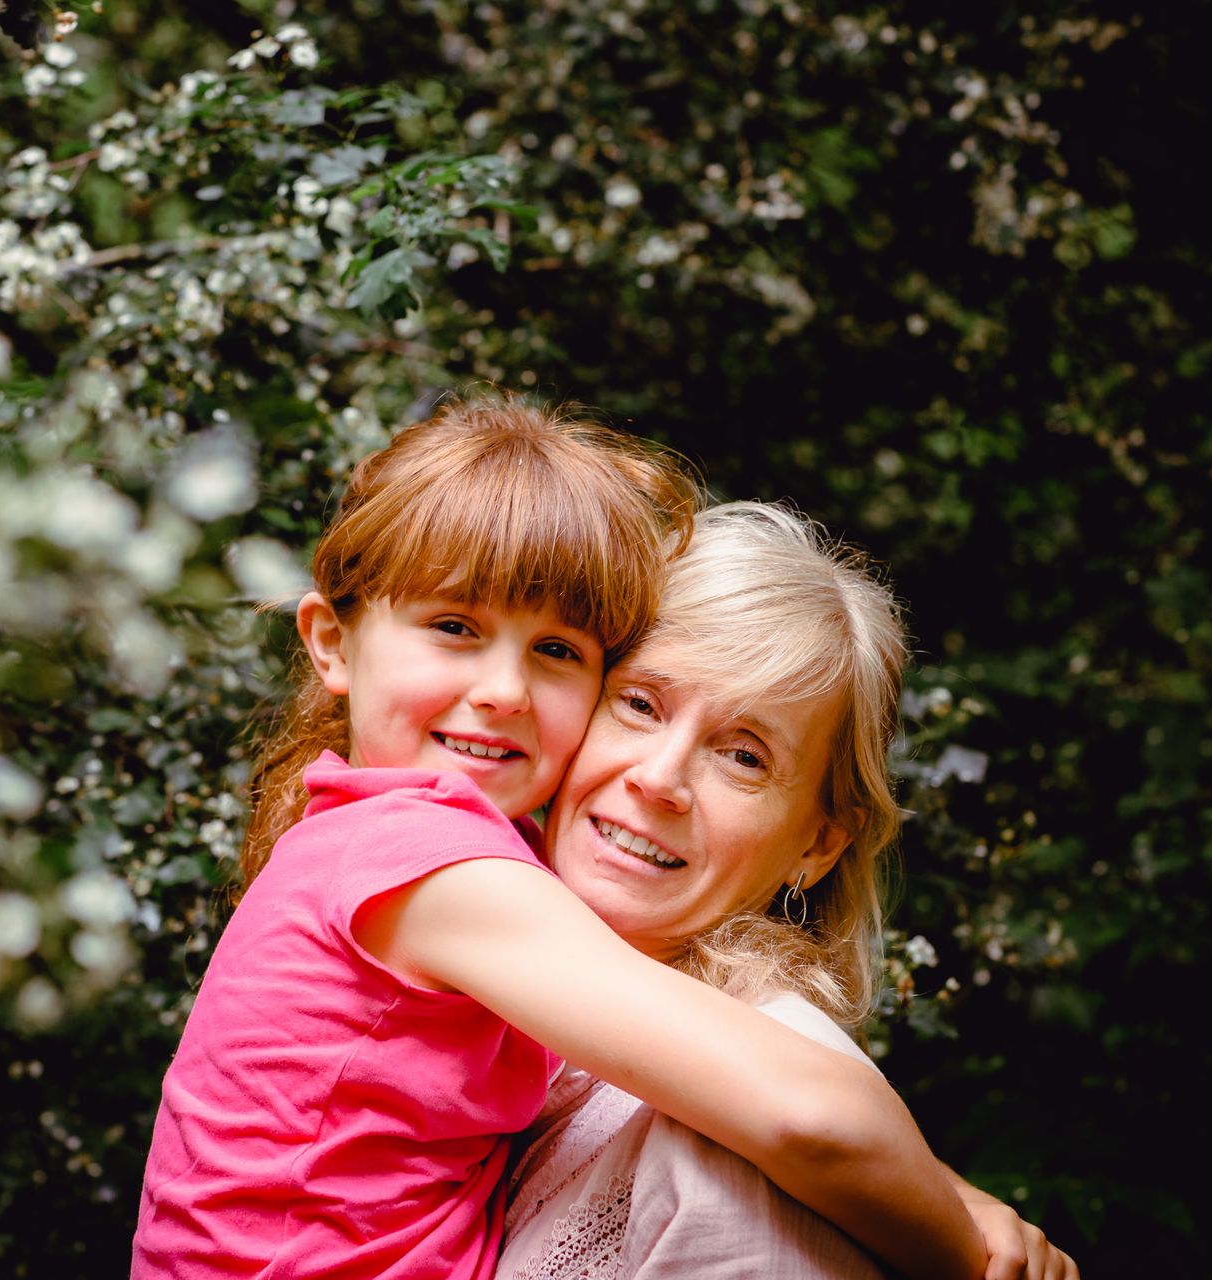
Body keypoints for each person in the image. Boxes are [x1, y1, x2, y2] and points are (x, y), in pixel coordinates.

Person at [132, 400, 991, 1280]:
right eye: (455, 627)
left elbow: (812, 1117)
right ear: (331, 643)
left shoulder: (394, 854)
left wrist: (947, 1191)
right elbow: (812, 1117)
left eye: (556, 649)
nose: (503, 689)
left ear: (821, 842)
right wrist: (967, 1248)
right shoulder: (425, 860)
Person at [498, 501, 1079, 1280]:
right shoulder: (466, 976)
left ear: (816, 845)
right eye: (639, 704)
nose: (659, 778)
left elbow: (815, 1129)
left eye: (743, 756)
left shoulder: (743, 1136)